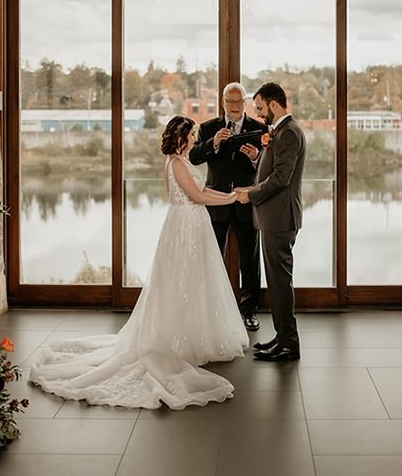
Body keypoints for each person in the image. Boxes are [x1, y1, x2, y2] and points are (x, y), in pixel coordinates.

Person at [30, 116, 249, 409]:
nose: (197, 138)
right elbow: (197, 196)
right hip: (185, 227)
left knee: (194, 282)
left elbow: (204, 192)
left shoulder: (181, 162)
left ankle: (194, 334)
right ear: (182, 137)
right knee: (181, 282)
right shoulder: (177, 164)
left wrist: (229, 195)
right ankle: (178, 338)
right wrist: (232, 199)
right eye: (193, 134)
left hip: (192, 226)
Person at [189, 82, 267, 332]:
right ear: (223, 102)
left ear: (245, 102)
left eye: (239, 101)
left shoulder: (259, 128)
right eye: (230, 102)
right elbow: (193, 157)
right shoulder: (208, 128)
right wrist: (213, 142)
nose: (234, 106)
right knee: (213, 257)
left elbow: (268, 167)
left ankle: (249, 312)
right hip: (215, 203)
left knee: (250, 260)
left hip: (245, 201)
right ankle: (213, 311)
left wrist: (256, 157)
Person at [236, 82, 306, 362]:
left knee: (280, 281)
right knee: (276, 282)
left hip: (280, 217)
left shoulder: (289, 133)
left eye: (261, 108)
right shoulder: (281, 132)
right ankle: (282, 337)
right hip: (273, 216)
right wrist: (257, 158)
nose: (259, 113)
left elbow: (281, 179)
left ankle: (289, 343)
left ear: (274, 105)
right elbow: (273, 168)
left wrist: (250, 194)